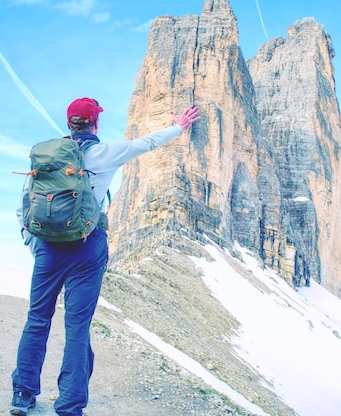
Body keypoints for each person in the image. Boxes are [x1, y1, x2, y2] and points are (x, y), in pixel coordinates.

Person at [10, 97, 200, 416]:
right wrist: (178, 127)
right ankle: (69, 405)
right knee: (77, 325)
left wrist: (35, 244)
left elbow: (23, 208)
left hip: (47, 249)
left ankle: (22, 394)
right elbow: (147, 143)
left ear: (69, 124)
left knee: (37, 319)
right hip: (87, 247)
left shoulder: (45, 159)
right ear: (95, 123)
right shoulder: (103, 153)